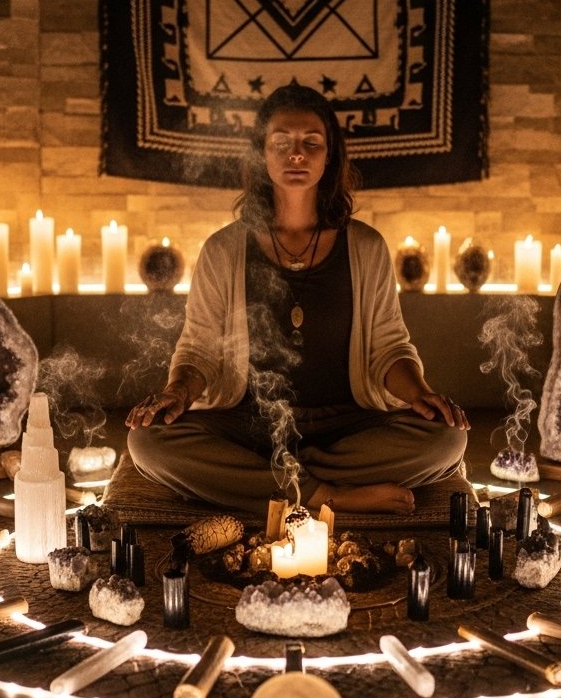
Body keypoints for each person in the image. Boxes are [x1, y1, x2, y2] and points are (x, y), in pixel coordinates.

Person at [125, 84, 468, 516]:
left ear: (330, 156)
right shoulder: (223, 250)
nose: (297, 155)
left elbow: (388, 348)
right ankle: (329, 495)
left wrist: (420, 394)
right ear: (262, 154)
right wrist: (177, 393)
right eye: (282, 143)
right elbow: (200, 350)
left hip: (346, 427)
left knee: (448, 439)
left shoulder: (366, 247)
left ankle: (267, 483)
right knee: (148, 442)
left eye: (312, 143)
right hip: (248, 427)